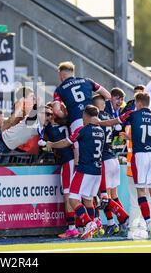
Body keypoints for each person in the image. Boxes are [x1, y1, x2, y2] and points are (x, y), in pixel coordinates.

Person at [112, 92, 151, 239]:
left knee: (139, 196)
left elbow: (119, 124)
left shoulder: (133, 117)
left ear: (138, 103)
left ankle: (146, 226)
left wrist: (101, 123)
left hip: (138, 159)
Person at [46, 105, 106, 240]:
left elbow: (66, 143)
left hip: (84, 169)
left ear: (85, 115)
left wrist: (52, 144)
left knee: (73, 199)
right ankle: (93, 225)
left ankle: (88, 223)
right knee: (88, 200)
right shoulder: (101, 131)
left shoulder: (83, 130)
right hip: (97, 171)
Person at [92, 94, 130, 236]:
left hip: (104, 160)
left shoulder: (96, 119)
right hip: (113, 158)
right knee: (113, 195)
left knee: (104, 196)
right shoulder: (109, 117)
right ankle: (117, 223)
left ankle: (118, 221)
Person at [43, 103, 78, 239]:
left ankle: (72, 228)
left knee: (68, 195)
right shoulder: (68, 123)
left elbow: (49, 142)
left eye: (50, 114)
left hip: (68, 161)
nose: (48, 117)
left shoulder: (51, 128)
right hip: (73, 160)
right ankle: (81, 225)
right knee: (76, 194)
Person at [52, 61, 111, 134]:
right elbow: (108, 95)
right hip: (93, 118)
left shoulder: (59, 90)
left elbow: (56, 111)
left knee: (79, 144)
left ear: (62, 75)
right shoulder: (87, 81)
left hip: (76, 120)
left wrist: (66, 115)